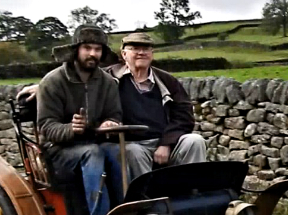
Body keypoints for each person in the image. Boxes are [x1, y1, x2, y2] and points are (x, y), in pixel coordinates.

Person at [19, 32, 206, 182]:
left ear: (152, 54)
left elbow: (184, 116)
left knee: (195, 141)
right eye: (134, 48)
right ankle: (146, 204)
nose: (141, 53)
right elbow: (78, 78)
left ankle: (194, 194)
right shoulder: (109, 78)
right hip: (132, 142)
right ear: (124, 54)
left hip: (166, 141)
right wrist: (41, 86)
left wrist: (166, 143)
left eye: (146, 49)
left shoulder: (167, 81)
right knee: (132, 152)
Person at [36, 24, 125, 215]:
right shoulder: (53, 82)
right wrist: (70, 129)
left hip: (95, 142)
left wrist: (110, 123)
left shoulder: (108, 83)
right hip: (58, 152)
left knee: (121, 152)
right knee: (93, 154)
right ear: (76, 49)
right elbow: (46, 126)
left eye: (97, 49)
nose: (92, 54)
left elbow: (115, 114)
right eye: (87, 48)